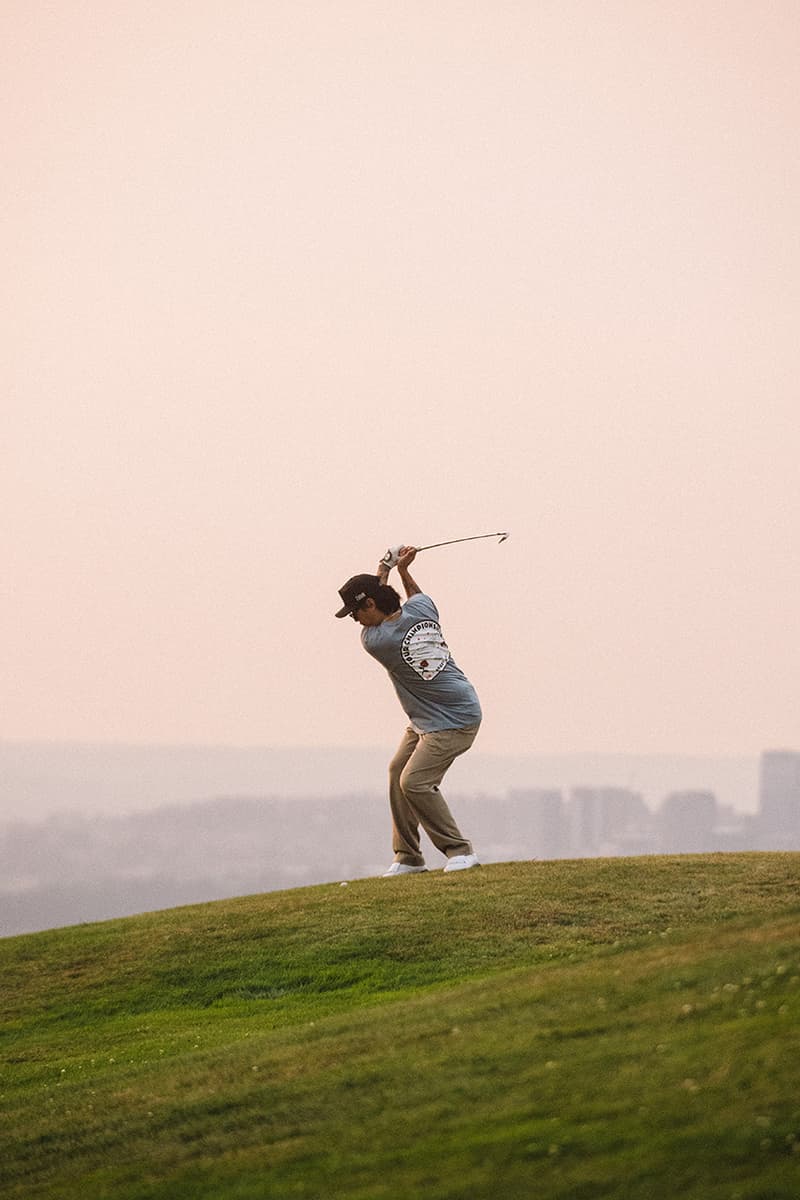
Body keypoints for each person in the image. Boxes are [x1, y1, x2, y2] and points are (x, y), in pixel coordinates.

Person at [335, 545, 481, 876]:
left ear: (370, 605)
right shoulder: (423, 608)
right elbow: (411, 595)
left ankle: (460, 851)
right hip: (424, 720)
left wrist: (384, 568)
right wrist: (401, 570)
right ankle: (409, 857)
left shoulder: (377, 640)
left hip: (455, 720)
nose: (354, 619)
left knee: (414, 782)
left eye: (355, 612)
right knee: (396, 772)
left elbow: (381, 597)